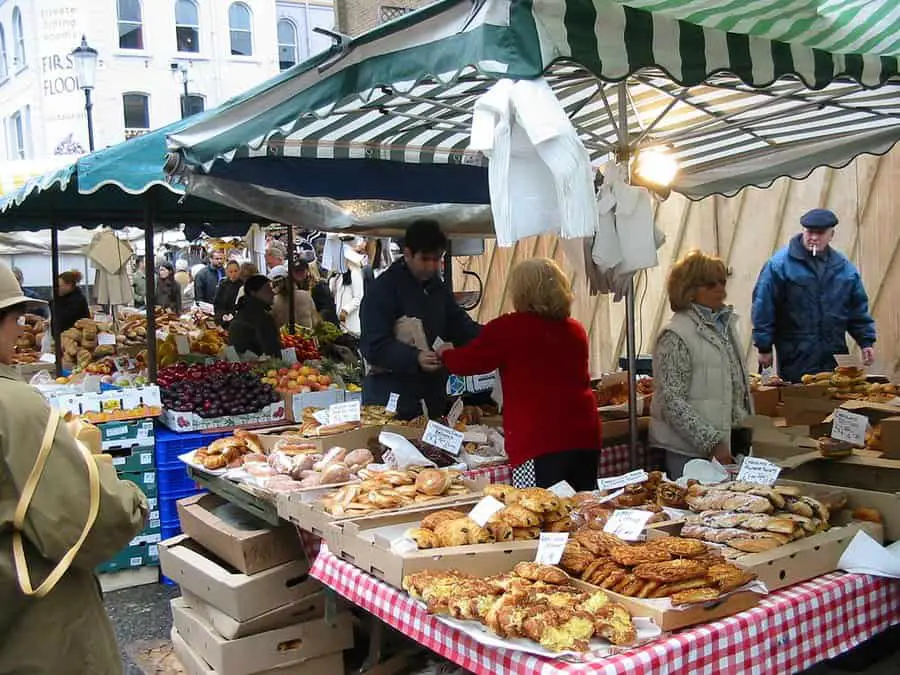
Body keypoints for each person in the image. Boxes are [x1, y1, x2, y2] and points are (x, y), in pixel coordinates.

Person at [0, 261, 148, 674]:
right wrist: (98, 466)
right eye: (16, 318)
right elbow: (90, 521)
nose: (20, 330)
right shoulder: (15, 406)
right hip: (32, 630)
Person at [439, 259, 601, 490]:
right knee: (583, 510)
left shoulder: (510, 329)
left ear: (522, 292)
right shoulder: (576, 330)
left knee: (534, 512)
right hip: (584, 437)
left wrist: (445, 354)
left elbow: (469, 362)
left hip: (538, 441)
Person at [360, 219, 480, 420]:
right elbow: (373, 345)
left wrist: (494, 336)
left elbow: (460, 326)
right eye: (425, 259)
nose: (432, 266)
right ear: (407, 254)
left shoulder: (438, 289)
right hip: (391, 401)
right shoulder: (382, 290)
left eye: (437, 259)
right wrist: (414, 357)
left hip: (432, 398)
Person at [650, 251, 753, 479]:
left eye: (722, 281)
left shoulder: (724, 325)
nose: (720, 289)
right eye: (709, 284)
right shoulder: (675, 335)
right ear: (689, 288)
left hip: (731, 444)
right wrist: (712, 443)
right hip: (690, 452)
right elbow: (672, 400)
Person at [752, 208, 876, 383]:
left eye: (820, 233)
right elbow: (763, 306)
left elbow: (857, 309)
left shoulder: (843, 269)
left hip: (834, 354)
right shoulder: (779, 266)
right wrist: (764, 347)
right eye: (810, 232)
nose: (814, 237)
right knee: (799, 402)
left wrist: (866, 341)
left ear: (831, 234)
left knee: (835, 400)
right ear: (803, 231)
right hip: (796, 354)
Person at [229, 275, 281, 358]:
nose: (273, 293)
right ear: (253, 292)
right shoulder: (260, 318)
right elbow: (271, 351)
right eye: (267, 290)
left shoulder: (244, 312)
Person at [330, 239, 366, 336]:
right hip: (342, 324)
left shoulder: (355, 273)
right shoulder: (339, 276)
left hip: (352, 325)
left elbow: (358, 297)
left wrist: (345, 310)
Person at [270, 266, 319, 330]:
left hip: (286, 339)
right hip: (306, 337)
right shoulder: (305, 295)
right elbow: (315, 321)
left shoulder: (273, 301)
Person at [293, 258, 338, 325]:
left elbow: (327, 307)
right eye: (296, 271)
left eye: (301, 271)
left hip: (319, 324)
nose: (299, 274)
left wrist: (317, 319)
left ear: (307, 270)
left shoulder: (318, 286)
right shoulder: (293, 288)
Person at [213, 260, 243, 326]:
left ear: (239, 271)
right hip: (222, 319)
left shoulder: (243, 285)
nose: (234, 274)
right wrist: (222, 315)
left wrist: (233, 315)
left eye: (236, 271)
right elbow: (217, 303)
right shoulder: (222, 284)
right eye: (231, 272)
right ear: (227, 272)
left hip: (238, 321)